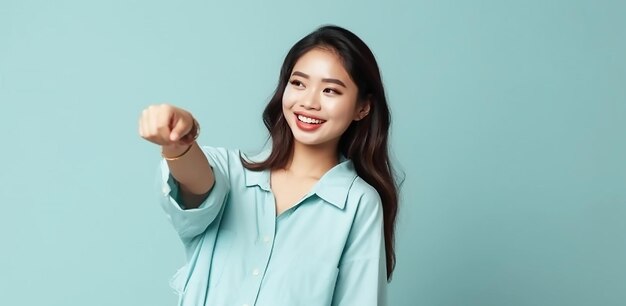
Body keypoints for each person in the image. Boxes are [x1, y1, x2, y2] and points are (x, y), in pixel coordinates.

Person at [139, 25, 399, 306]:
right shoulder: (231, 171)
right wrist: (179, 142)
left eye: (331, 90)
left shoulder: (358, 204)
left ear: (363, 107)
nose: (309, 102)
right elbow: (197, 184)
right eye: (298, 83)